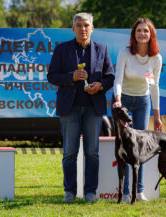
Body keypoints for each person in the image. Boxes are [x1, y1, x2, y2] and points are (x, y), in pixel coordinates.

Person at [47, 13, 114, 203]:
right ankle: (70, 191)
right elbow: (52, 76)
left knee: (92, 152)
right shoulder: (62, 50)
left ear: (92, 28)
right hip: (70, 108)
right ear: (73, 28)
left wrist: (100, 85)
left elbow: (110, 76)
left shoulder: (102, 49)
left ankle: (90, 192)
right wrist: (71, 77)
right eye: (79, 25)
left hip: (94, 108)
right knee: (69, 152)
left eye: (86, 25)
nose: (83, 29)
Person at [112, 18, 163, 202]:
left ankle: (138, 191)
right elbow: (117, 79)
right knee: (124, 148)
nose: (142, 34)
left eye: (146, 31)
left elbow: (155, 87)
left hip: (143, 102)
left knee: (138, 148)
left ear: (151, 35)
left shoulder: (156, 57)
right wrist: (118, 100)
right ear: (134, 34)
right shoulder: (125, 53)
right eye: (139, 30)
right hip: (123, 100)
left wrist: (157, 116)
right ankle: (125, 193)